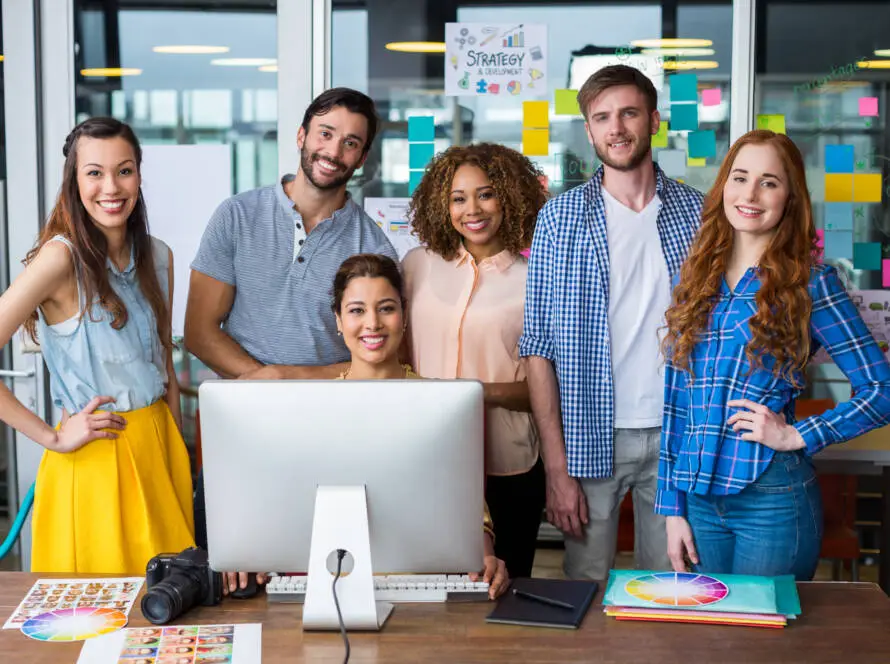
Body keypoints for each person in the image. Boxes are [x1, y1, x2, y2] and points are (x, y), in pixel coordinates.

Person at [185, 88, 398, 590]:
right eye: (325, 134)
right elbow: (198, 331)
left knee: (316, 575)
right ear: (301, 136)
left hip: (327, 433)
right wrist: (264, 383)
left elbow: (374, 359)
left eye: (350, 143)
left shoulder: (372, 245)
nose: (333, 151)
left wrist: (285, 379)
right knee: (232, 575)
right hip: (239, 431)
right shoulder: (236, 216)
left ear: (362, 157)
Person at [656, 130, 890, 580]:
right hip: (700, 503)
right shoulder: (695, 280)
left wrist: (799, 435)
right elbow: (676, 405)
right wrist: (672, 509)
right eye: (740, 178)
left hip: (771, 498)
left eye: (769, 182)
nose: (750, 193)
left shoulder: (811, 284)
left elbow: (881, 390)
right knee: (714, 641)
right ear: (724, 186)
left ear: (790, 197)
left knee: (763, 645)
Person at [519, 65, 704, 581]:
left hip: (678, 432)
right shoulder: (559, 219)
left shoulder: (699, 214)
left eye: (628, 113)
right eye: (601, 117)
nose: (616, 127)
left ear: (654, 120)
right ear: (590, 130)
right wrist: (556, 468)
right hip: (589, 436)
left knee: (671, 586)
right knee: (585, 592)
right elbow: (537, 348)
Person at [0, 117, 194, 574]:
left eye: (124, 171)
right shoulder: (59, 259)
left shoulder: (159, 255)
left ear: (139, 175)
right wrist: (51, 436)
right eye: (94, 173)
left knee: (169, 618)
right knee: (97, 621)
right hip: (95, 458)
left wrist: (179, 452)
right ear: (74, 180)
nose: (111, 186)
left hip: (161, 449)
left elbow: (164, 361)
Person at [403, 143, 546, 579]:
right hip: (424, 459)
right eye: (457, 198)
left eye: (486, 194)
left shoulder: (536, 276)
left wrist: (475, 394)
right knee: (427, 591)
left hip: (508, 464)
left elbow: (548, 386)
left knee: (506, 587)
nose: (472, 210)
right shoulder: (416, 267)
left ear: (510, 195)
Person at [332, 253, 509, 599]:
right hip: (341, 582)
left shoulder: (443, 403)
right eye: (356, 310)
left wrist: (485, 555)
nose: (373, 323)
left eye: (386, 308)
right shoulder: (317, 410)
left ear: (403, 315)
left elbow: (471, 508)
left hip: (428, 584)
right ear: (338, 319)